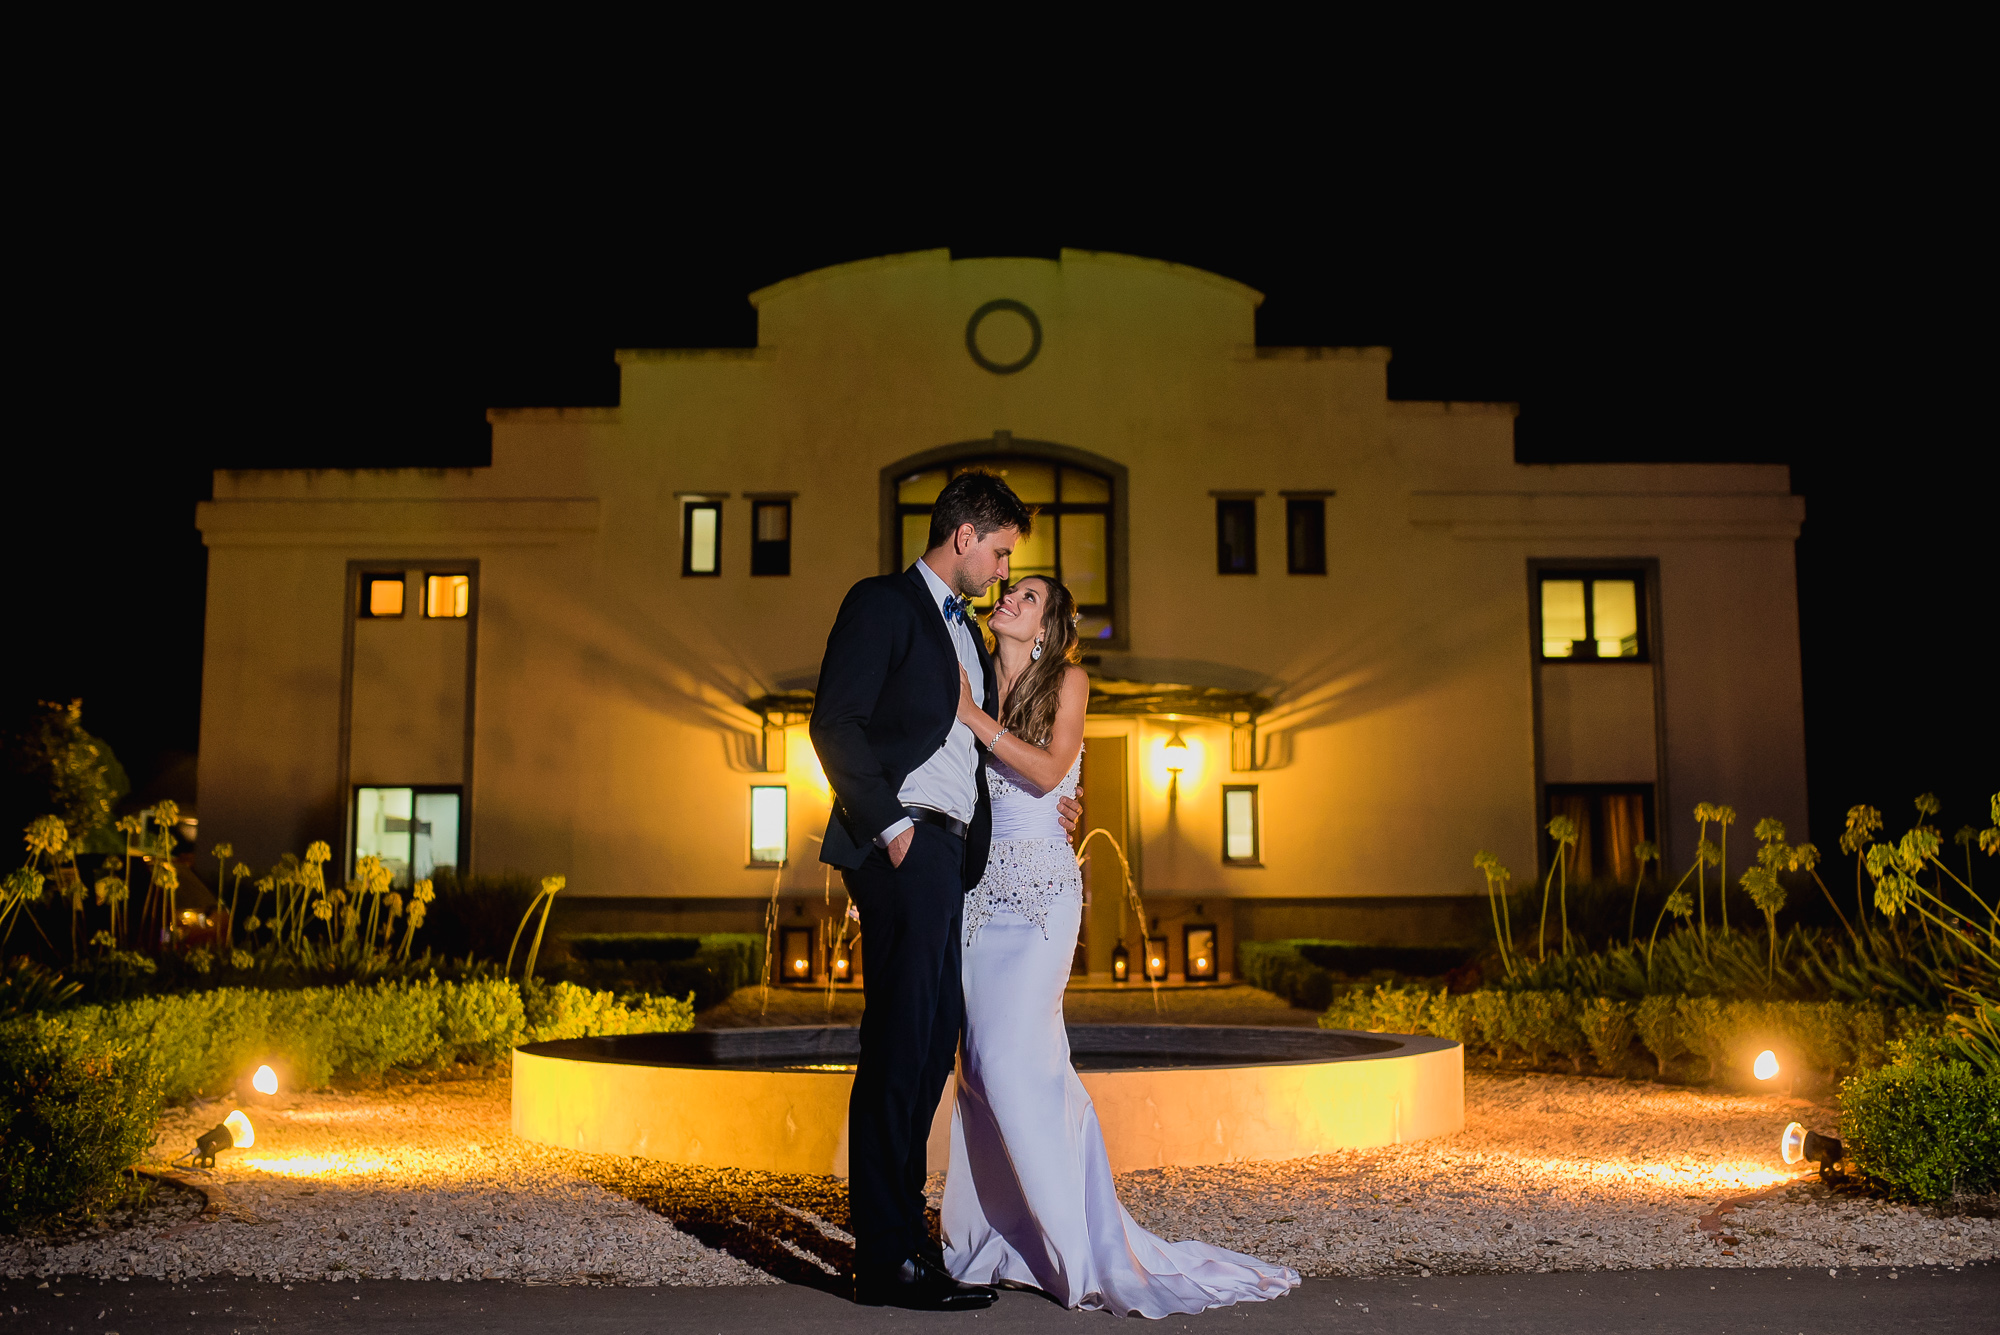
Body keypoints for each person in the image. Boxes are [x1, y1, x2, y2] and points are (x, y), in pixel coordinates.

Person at [942, 572, 1302, 1317]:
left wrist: (972, 717)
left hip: (1041, 894)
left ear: (1047, 629)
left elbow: (1050, 769)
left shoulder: (1065, 680)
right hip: (979, 893)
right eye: (1012, 588)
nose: (1009, 597)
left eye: (1029, 597)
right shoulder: (970, 667)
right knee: (977, 1067)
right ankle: (1000, 1239)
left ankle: (1073, 1245)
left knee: (1011, 1062)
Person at [809, 471, 1079, 1312]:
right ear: (964, 536)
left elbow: (989, 747)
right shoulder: (883, 603)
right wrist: (891, 828)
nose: (1002, 571)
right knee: (899, 1043)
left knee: (932, 1048)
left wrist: (1050, 806)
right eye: (999, 552)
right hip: (905, 842)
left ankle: (905, 1236)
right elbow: (834, 722)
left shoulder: (967, 632)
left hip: (953, 856)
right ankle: (884, 1258)